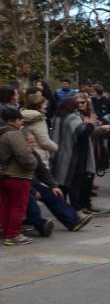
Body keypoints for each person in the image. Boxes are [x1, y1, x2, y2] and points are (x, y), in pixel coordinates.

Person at [22, 129, 93, 234]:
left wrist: (53, 185)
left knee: (54, 194)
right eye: (31, 142)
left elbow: (43, 171)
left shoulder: (33, 153)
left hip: (32, 183)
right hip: (21, 185)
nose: (34, 145)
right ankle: (42, 226)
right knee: (30, 201)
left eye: (34, 142)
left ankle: (73, 221)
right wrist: (32, 191)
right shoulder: (18, 155)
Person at [52, 97, 98, 214]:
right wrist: (90, 124)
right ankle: (75, 211)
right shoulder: (72, 118)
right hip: (72, 155)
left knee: (61, 184)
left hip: (59, 152)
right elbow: (84, 132)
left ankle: (61, 209)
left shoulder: (57, 117)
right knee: (73, 184)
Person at [0, 109, 38, 245]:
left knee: (6, 205)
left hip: (4, 175)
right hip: (18, 175)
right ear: (13, 121)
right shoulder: (14, 134)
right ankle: (13, 234)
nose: (21, 122)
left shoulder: (2, 133)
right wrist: (34, 164)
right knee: (18, 206)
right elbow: (24, 155)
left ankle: (6, 232)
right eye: (19, 120)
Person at [21, 95, 58, 167]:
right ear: (38, 105)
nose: (46, 106)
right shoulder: (39, 119)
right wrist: (56, 147)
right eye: (44, 104)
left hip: (28, 154)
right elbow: (44, 141)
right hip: (40, 156)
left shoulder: (23, 116)